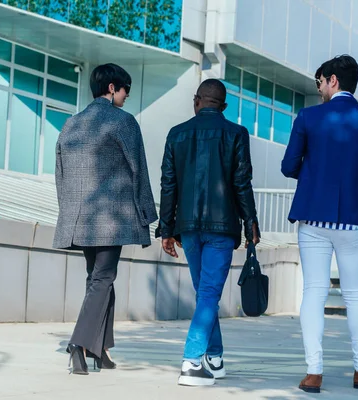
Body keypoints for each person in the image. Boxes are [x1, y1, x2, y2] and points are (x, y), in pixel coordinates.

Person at [281, 55, 358, 393]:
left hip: (312, 218)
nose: (319, 90)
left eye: (320, 83)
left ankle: (314, 372)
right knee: (356, 296)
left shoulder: (309, 117)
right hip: (352, 222)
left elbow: (288, 166)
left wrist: (317, 176)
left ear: (332, 81)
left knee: (313, 291)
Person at [53, 63, 158, 375]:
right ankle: (78, 343)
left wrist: (67, 212)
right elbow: (139, 170)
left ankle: (100, 350)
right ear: (112, 88)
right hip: (112, 217)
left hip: (80, 217)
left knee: (97, 279)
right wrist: (148, 216)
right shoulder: (123, 122)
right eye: (125, 90)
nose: (126, 97)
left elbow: (61, 175)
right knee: (102, 279)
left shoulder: (70, 124)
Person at [157, 79, 260, 386]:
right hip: (222, 228)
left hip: (187, 229)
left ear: (196, 101)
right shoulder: (236, 134)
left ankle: (214, 358)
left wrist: (166, 229)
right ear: (223, 106)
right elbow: (242, 184)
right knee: (208, 295)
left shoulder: (177, 134)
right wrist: (250, 222)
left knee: (206, 294)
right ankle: (191, 362)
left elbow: (168, 185)